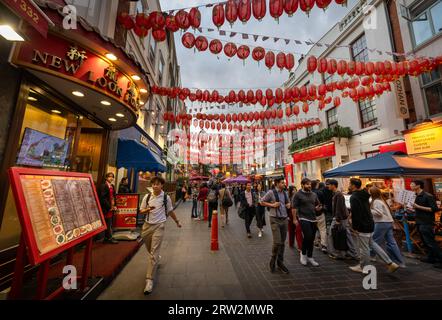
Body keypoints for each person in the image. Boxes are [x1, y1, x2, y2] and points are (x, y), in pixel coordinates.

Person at [139, 176, 181, 294]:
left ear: (162, 185)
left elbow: (170, 211)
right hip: (146, 226)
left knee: (153, 253)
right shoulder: (147, 197)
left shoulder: (165, 198)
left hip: (159, 226)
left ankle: (149, 280)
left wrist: (177, 221)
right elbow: (141, 210)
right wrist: (148, 209)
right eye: (153, 184)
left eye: (158, 184)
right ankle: (156, 257)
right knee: (149, 249)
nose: (155, 186)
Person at [348, 178, 399, 273]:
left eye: (350, 184)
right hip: (370, 223)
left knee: (364, 248)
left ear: (354, 185)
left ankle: (364, 267)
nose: (349, 185)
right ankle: (390, 263)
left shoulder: (354, 197)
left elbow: (356, 214)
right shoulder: (365, 195)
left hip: (362, 225)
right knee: (373, 244)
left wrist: (355, 227)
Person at [369, 186, 405, 267]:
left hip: (381, 222)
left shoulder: (376, 202)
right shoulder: (381, 200)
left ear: (372, 193)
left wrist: (369, 210)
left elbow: (379, 213)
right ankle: (399, 261)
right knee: (392, 243)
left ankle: (371, 255)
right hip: (388, 222)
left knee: (374, 241)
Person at [260, 178, 290, 274]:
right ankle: (273, 259)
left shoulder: (285, 193)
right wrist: (272, 205)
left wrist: (289, 204)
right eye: (282, 182)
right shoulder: (271, 192)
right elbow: (261, 202)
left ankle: (280, 262)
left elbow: (287, 203)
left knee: (282, 242)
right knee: (277, 242)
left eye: (284, 182)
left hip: (284, 219)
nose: (284, 184)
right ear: (277, 184)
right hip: (275, 219)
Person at [410, 180, 442, 268]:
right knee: (425, 242)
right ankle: (431, 257)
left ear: (418, 186)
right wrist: (413, 209)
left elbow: (434, 209)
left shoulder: (428, 196)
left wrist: (418, 207)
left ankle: (440, 260)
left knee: (430, 242)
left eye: (412, 185)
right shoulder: (415, 196)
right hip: (419, 221)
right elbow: (418, 208)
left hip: (427, 222)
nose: (410, 186)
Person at [292, 178, 322, 267]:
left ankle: (310, 256)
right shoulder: (298, 195)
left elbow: (317, 205)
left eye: (310, 184)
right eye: (307, 184)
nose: (309, 186)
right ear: (302, 185)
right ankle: (303, 254)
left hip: (313, 218)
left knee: (311, 239)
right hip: (303, 218)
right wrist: (294, 219)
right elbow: (294, 208)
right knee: (308, 236)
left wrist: (318, 208)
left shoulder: (314, 194)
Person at [327, 179, 358, 260]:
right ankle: (352, 253)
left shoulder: (338, 194)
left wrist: (337, 219)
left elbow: (339, 207)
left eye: (329, 184)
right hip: (341, 217)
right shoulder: (336, 194)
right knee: (346, 235)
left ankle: (337, 253)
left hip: (340, 218)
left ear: (333, 185)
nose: (328, 186)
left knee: (332, 235)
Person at [98, 172, 118, 244]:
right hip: (106, 208)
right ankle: (109, 238)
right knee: (108, 223)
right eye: (109, 176)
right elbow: (102, 198)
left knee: (109, 223)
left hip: (111, 207)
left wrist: (115, 206)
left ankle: (108, 237)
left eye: (112, 177)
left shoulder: (112, 186)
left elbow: (113, 197)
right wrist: (109, 207)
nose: (111, 178)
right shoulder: (103, 186)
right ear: (106, 177)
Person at [313, 181, 328, 253]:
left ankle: (315, 242)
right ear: (316, 185)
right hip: (320, 213)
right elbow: (324, 203)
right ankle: (324, 245)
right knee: (322, 229)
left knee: (314, 229)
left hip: (312, 215)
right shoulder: (320, 193)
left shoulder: (309, 193)